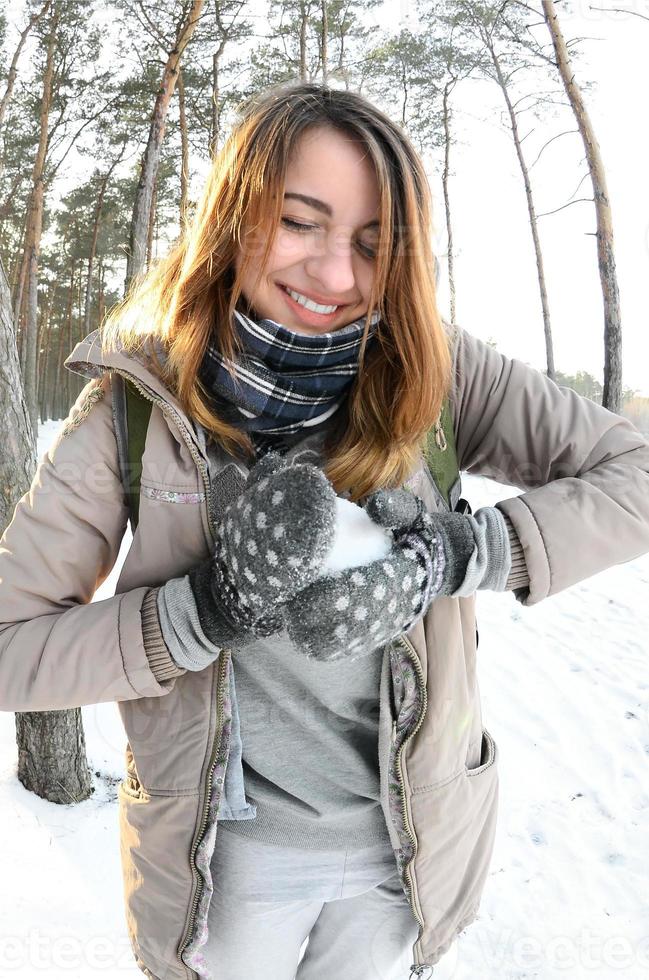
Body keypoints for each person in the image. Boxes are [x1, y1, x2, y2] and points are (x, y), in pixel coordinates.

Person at [1, 81, 648, 980]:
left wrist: (452, 558)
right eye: (301, 223)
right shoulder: (132, 411)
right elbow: (9, 646)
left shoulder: (437, 368)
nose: (336, 277)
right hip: (223, 872)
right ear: (235, 216)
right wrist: (202, 612)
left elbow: (637, 475)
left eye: (373, 245)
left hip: (405, 852)